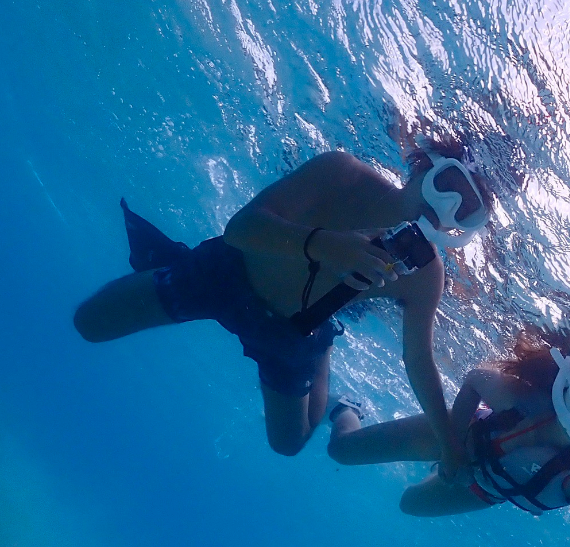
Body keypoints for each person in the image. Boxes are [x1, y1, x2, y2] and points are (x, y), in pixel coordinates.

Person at [73, 142, 492, 457]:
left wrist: (449, 441)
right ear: (422, 164)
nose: (445, 207)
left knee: (289, 444)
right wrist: (324, 245)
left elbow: (418, 360)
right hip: (226, 272)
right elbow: (241, 229)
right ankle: (168, 263)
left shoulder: (424, 275)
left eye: (463, 211)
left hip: (291, 333)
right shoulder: (342, 173)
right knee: (89, 324)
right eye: (446, 185)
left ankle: (324, 347)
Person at [327, 326, 570, 516]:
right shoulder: (521, 397)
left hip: (486, 489)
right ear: (569, 384)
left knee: (409, 504)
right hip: (464, 440)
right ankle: (347, 408)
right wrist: (450, 447)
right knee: (341, 451)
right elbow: (473, 380)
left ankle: (439, 470)